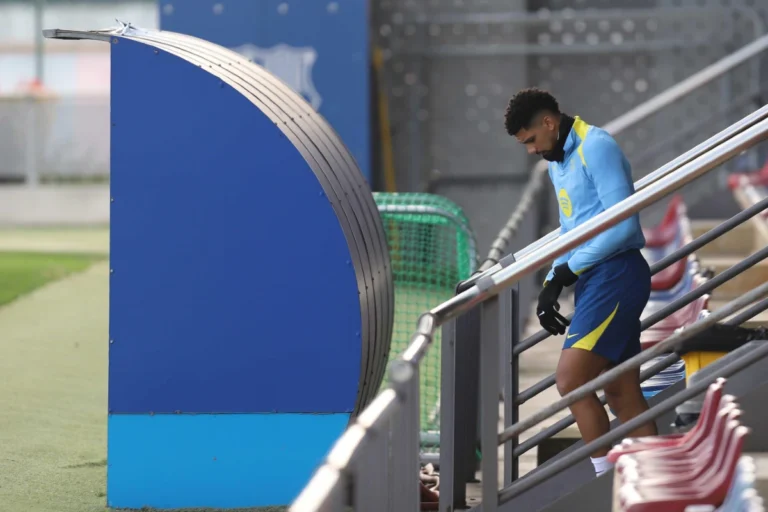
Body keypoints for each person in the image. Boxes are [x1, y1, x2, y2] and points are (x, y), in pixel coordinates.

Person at [503, 88, 658, 477]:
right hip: (597, 279)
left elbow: (624, 226)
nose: (531, 151)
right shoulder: (558, 157)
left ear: (549, 123)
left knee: (571, 380)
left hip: (617, 275)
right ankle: (654, 480)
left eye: (531, 140)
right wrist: (552, 281)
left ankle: (603, 482)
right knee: (622, 393)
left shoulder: (597, 146)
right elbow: (571, 229)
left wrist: (569, 271)